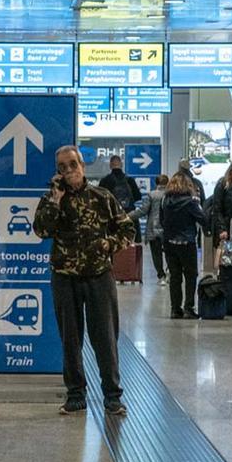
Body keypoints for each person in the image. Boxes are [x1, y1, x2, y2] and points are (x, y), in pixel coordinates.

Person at [33, 146, 136, 417]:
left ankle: (112, 396)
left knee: (105, 337)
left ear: (82, 166)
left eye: (72, 165)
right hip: (65, 277)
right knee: (70, 338)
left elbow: (127, 229)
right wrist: (55, 201)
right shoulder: (52, 199)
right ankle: (76, 394)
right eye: (62, 167)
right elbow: (41, 230)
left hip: (99, 276)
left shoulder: (102, 197)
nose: (68, 171)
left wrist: (107, 245)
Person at [159, 173, 208, 319]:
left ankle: (175, 309)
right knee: (191, 275)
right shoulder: (190, 202)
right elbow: (203, 219)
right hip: (187, 243)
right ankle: (188, 308)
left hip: (169, 242)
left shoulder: (165, 200)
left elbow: (162, 220)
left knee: (175, 276)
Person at [132, 174, 169, 285]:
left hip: (153, 229)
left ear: (156, 183)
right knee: (169, 253)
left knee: (156, 254)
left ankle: (161, 276)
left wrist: (127, 216)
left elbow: (143, 211)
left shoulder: (151, 195)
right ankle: (169, 271)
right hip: (168, 229)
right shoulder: (171, 195)